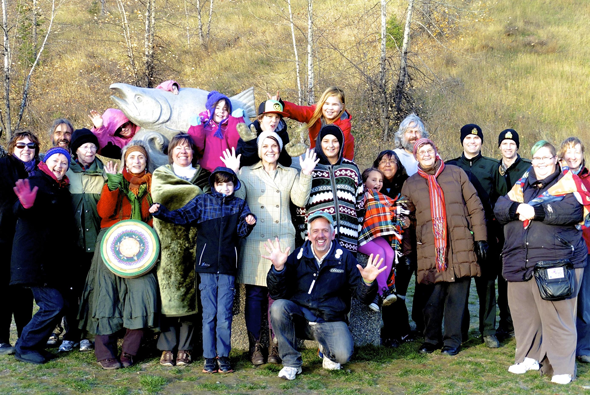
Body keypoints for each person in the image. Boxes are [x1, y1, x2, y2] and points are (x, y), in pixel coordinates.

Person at [494, 140, 587, 385]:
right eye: (537, 158)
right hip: (521, 260)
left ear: (556, 160)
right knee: (525, 316)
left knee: (558, 318)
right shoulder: (522, 184)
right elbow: (500, 207)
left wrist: (537, 211)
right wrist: (519, 207)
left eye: (547, 158)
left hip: (558, 261)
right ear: (531, 160)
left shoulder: (568, 183)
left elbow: (573, 211)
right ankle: (528, 357)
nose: (542, 162)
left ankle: (562, 367)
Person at [221, 134, 317, 366]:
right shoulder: (245, 172)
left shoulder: (290, 173)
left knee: (277, 295)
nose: (270, 149)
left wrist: (305, 174)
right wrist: (233, 173)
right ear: (259, 149)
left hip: (281, 238)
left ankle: (276, 344)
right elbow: (238, 200)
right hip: (254, 239)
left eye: (274, 145)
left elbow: (300, 200)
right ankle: (256, 346)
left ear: (280, 148)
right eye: (265, 145)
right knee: (254, 295)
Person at [150, 167, 257, 374]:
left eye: (228, 184)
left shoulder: (239, 204)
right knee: (209, 315)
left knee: (224, 315)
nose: (224, 188)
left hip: (227, 268)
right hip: (206, 267)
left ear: (234, 186)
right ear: (213, 185)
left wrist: (249, 222)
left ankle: (223, 357)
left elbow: (242, 232)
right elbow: (181, 216)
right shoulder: (203, 202)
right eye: (220, 184)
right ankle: (209, 357)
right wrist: (161, 211)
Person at [265, 211, 386, 380]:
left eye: (325, 230)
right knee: (278, 307)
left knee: (342, 355)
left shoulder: (345, 258)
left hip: (330, 320)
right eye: (315, 231)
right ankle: (291, 363)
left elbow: (363, 298)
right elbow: (278, 293)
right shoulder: (298, 256)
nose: (320, 235)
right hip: (302, 320)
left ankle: (327, 350)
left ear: (333, 233)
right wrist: (278, 270)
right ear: (309, 235)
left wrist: (367, 282)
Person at [402, 138, 487, 356]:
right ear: (416, 157)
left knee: (456, 299)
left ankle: (452, 341)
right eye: (422, 152)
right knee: (432, 298)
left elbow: (475, 207)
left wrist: (480, 238)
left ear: (436, 151)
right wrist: (408, 251)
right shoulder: (410, 184)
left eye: (429, 150)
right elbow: (406, 221)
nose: (427, 154)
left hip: (459, 245)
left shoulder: (456, 173)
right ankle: (431, 339)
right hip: (429, 249)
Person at [78, 142, 159, 370]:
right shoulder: (114, 180)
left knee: (144, 293)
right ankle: (104, 352)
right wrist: (112, 186)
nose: (136, 161)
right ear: (125, 161)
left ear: (145, 161)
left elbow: (153, 220)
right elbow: (104, 212)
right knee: (106, 296)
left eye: (140, 158)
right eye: (131, 157)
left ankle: (129, 351)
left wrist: (155, 214)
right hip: (111, 242)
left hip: (141, 246)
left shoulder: (153, 184)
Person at [11, 147, 78, 364]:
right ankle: (25, 346)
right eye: (55, 161)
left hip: (51, 261)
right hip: (35, 259)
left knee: (61, 305)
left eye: (64, 163)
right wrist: (24, 205)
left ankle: (33, 345)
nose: (59, 165)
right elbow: (18, 209)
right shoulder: (36, 181)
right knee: (53, 305)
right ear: (45, 162)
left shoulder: (60, 188)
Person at [151, 134, 210, 367]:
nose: (183, 151)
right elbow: (161, 196)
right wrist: (193, 193)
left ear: (193, 152)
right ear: (171, 152)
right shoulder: (161, 174)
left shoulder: (203, 175)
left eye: (187, 148)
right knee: (168, 294)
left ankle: (185, 347)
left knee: (190, 296)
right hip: (167, 242)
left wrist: (190, 196)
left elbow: (206, 202)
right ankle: (167, 346)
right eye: (178, 148)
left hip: (195, 242)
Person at [446, 124, 498, 348]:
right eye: (468, 138)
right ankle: (461, 330)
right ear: (461, 141)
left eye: (476, 139)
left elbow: (500, 200)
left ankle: (488, 331)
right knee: (460, 285)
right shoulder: (449, 167)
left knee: (486, 284)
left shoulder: (493, 167)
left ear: (481, 142)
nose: (472, 142)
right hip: (458, 236)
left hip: (486, 233)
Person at [55, 129, 106, 354]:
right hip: (71, 244)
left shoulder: (104, 172)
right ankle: (71, 334)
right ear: (75, 150)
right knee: (70, 291)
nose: (90, 150)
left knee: (91, 290)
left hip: (95, 243)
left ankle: (87, 335)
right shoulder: (67, 171)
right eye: (85, 146)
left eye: (93, 146)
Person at [372, 150, 416, 347]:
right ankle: (391, 333)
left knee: (400, 292)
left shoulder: (408, 185)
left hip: (404, 249)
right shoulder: (373, 188)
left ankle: (402, 329)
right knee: (387, 290)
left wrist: (410, 220)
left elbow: (418, 210)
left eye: (392, 161)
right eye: (383, 161)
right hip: (382, 247)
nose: (388, 164)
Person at [298, 124, 364, 254]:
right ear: (319, 143)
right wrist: (304, 233)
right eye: (326, 141)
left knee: (346, 273)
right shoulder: (311, 167)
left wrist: (356, 231)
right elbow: (301, 206)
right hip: (318, 240)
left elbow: (360, 204)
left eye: (335, 141)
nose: (331, 145)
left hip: (348, 237)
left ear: (341, 143)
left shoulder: (351, 168)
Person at [0, 131, 38, 355]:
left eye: (31, 146)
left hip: (26, 240)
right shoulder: (3, 166)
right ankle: (2, 339)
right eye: (21, 145)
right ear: (12, 147)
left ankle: (24, 336)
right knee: (3, 290)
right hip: (4, 236)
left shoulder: (38, 170)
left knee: (24, 289)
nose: (26, 149)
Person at [494, 129, 531, 340]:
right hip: (500, 231)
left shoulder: (528, 168)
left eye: (512, 143)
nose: (508, 147)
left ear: (517, 146)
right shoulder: (493, 167)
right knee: (503, 278)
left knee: (523, 277)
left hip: (522, 229)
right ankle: (505, 323)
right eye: (504, 143)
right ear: (499, 146)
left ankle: (524, 323)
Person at [557, 137, 590, 364]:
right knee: (562, 300)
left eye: (576, 151)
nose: (572, 156)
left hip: (586, 249)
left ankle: (584, 347)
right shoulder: (556, 179)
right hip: (559, 251)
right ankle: (562, 347)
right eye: (568, 152)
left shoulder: (588, 179)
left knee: (585, 303)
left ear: (582, 154)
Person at [359, 167, 406, 311]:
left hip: (372, 235)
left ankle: (378, 296)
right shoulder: (364, 195)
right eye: (373, 180)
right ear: (364, 181)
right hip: (359, 236)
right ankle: (383, 291)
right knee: (379, 252)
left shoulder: (381, 198)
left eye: (380, 181)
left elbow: (390, 210)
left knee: (390, 253)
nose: (378, 183)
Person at [276, 87, 354, 160]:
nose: (330, 108)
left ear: (341, 107)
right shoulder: (316, 113)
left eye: (334, 104)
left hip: (341, 159)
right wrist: (281, 105)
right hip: (317, 154)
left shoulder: (344, 124)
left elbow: (337, 152)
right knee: (293, 161)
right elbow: (300, 111)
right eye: (326, 103)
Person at [187, 91, 245, 173]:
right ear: (210, 109)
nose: (221, 111)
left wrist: (236, 121)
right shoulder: (204, 126)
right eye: (217, 108)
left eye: (225, 109)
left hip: (228, 170)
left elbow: (235, 145)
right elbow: (196, 148)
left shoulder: (229, 126)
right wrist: (196, 128)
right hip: (206, 171)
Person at [236, 100, 292, 168]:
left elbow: (286, 163)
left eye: (277, 117)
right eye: (270, 116)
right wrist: (250, 145)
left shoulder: (282, 133)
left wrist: (286, 153)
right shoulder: (248, 132)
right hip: (252, 174)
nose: (274, 120)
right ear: (260, 118)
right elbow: (241, 162)